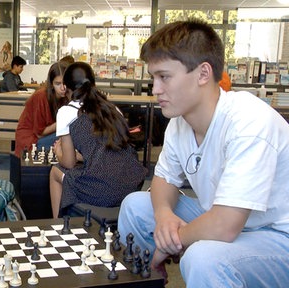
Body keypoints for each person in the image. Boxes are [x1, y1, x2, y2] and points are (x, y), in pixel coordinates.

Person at [118, 19, 289, 287]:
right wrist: (164, 216)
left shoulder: (249, 121)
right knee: (135, 206)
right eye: (153, 78)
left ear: (203, 73)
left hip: (276, 237)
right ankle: (149, 280)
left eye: (164, 77)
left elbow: (224, 225)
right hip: (222, 217)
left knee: (203, 258)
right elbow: (163, 179)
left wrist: (170, 242)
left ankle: (164, 257)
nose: (155, 89)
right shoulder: (179, 122)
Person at [49, 62, 147, 218]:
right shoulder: (112, 109)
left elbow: (68, 163)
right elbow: (105, 148)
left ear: (66, 87)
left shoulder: (66, 112)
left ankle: (58, 226)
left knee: (55, 172)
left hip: (101, 191)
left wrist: (58, 152)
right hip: (131, 185)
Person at [14, 61, 70, 157]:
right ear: (51, 84)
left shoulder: (67, 96)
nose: (62, 88)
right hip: (31, 139)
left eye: (65, 83)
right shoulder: (41, 96)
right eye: (58, 84)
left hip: (47, 136)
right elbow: (39, 133)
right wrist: (62, 122)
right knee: (69, 137)